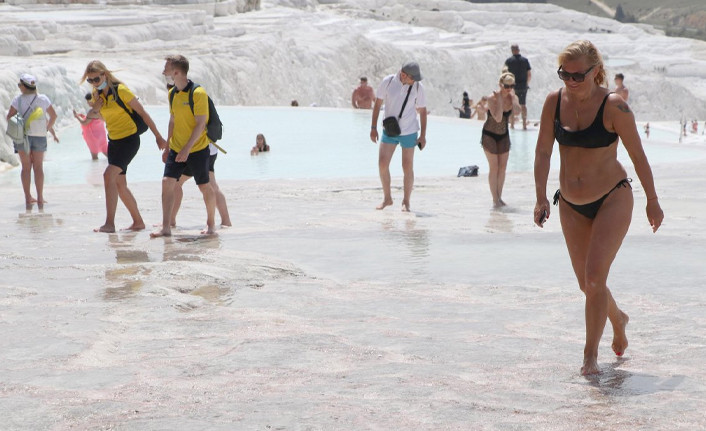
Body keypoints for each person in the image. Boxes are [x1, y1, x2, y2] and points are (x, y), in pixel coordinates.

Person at [533, 40, 664, 376]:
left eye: (579, 75)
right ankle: (618, 319)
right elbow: (544, 152)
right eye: (566, 74)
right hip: (571, 205)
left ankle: (590, 356)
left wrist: (652, 199)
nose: (572, 81)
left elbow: (638, 156)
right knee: (587, 285)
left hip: (612, 197)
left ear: (595, 71)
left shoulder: (614, 106)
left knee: (594, 279)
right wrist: (540, 196)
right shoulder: (553, 102)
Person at [82, 60, 167, 233]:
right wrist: (96, 108)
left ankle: (109, 224)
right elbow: (89, 119)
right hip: (113, 140)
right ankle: (138, 222)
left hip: (129, 140)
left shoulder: (121, 91)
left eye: (96, 79)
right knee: (120, 184)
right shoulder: (97, 95)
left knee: (108, 176)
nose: (94, 83)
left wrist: (158, 136)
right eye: (90, 80)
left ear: (104, 74)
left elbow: (143, 113)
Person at [151, 54, 217, 237]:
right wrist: (168, 146)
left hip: (197, 149)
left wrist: (187, 149)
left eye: (167, 66)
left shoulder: (198, 93)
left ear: (177, 71)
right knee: (167, 183)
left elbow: (200, 124)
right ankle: (166, 227)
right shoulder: (172, 93)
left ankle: (211, 224)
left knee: (204, 186)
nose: (164, 69)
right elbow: (172, 120)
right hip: (177, 147)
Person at [370, 61, 427, 212]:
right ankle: (387, 198)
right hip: (389, 129)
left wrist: (423, 135)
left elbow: (422, 110)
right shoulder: (388, 82)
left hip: (409, 131)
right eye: (412, 77)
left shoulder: (417, 87)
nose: (415, 80)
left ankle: (406, 201)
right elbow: (377, 104)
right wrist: (373, 127)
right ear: (403, 75)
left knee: (407, 166)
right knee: (382, 163)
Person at [6, 73, 59, 208]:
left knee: (26, 167)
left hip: (22, 136)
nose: (19, 87)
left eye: (19, 85)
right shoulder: (43, 98)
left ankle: (28, 197)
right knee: (38, 167)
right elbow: (53, 116)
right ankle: (40, 198)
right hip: (39, 135)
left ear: (24, 86)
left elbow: (9, 117)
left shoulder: (17, 100)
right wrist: (46, 129)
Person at [481, 72, 521, 208]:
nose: (508, 88)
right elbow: (498, 117)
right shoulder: (492, 98)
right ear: (500, 85)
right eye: (506, 86)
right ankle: (495, 199)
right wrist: (499, 101)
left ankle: (500, 197)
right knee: (494, 167)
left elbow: (517, 113)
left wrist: (514, 99)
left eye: (511, 86)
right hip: (489, 135)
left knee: (502, 168)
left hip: (504, 134)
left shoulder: (512, 97)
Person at [171, 143, 232, 228]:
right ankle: (226, 221)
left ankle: (170, 221)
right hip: (211, 149)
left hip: (197, 149)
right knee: (212, 184)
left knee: (175, 182)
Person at [73, 93, 108, 160]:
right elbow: (94, 120)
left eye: (88, 101)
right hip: (101, 135)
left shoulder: (92, 112)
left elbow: (84, 123)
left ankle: (96, 170)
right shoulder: (102, 109)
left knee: (94, 158)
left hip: (93, 137)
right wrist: (84, 116)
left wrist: (76, 117)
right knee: (108, 155)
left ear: (92, 101)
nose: (87, 103)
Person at [504, 44, 532, 129]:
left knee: (512, 104)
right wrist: (527, 84)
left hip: (512, 86)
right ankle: (524, 125)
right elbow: (529, 74)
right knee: (523, 104)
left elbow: (505, 73)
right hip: (523, 86)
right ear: (518, 50)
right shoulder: (525, 60)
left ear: (512, 50)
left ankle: (512, 125)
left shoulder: (509, 61)